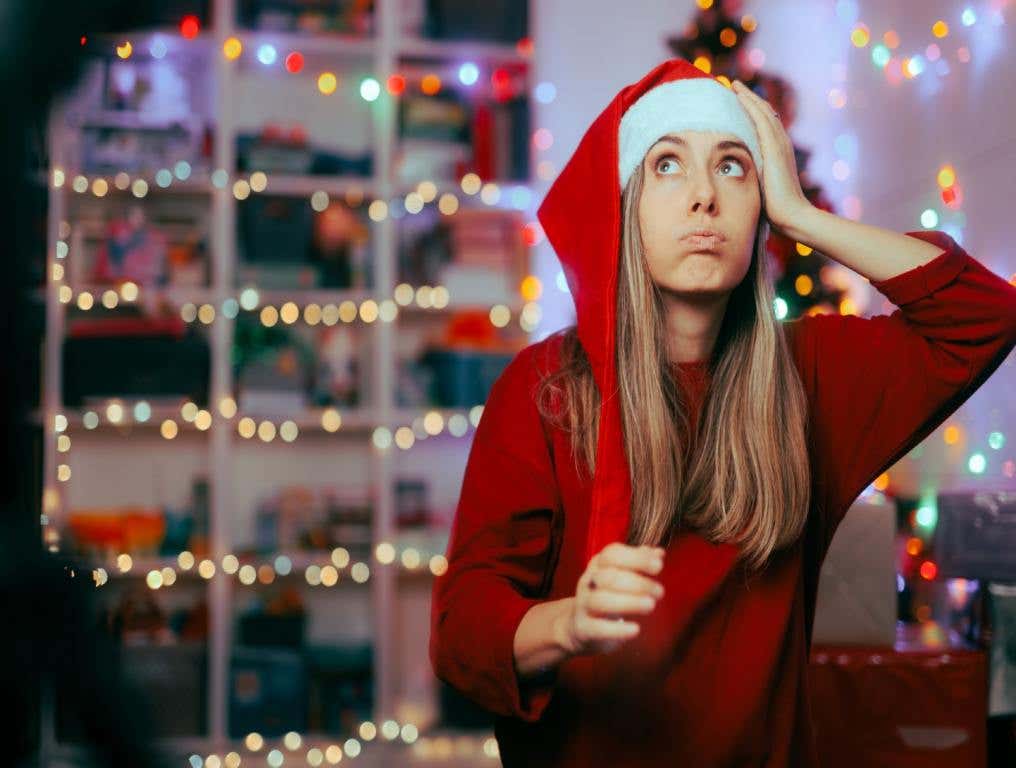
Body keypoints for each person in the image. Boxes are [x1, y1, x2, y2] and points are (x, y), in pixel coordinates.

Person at [429, 57, 1016, 766]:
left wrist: (801, 216)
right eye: (668, 165)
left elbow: (983, 315)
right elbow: (462, 634)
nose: (704, 196)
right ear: (624, 205)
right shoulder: (545, 389)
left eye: (733, 167)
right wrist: (569, 624)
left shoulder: (812, 378)